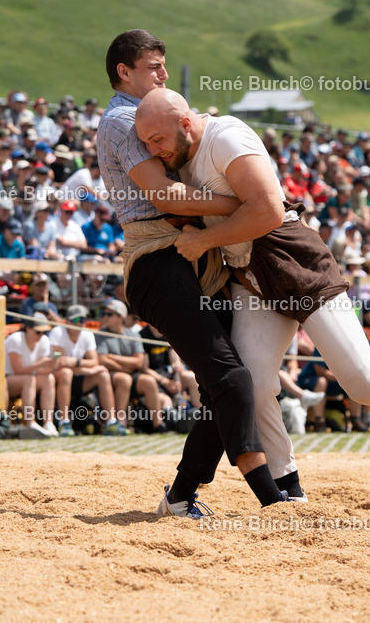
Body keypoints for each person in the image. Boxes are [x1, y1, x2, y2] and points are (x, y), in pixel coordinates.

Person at [135, 88, 370, 454]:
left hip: (293, 259)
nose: (154, 150)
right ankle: (286, 488)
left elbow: (266, 212)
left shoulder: (226, 136)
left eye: (157, 140)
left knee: (362, 382)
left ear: (185, 123)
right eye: (146, 143)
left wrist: (203, 241)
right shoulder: (177, 157)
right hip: (247, 276)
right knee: (253, 384)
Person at [98, 30, 289, 514]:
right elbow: (164, 197)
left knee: (225, 386)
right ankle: (272, 498)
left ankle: (181, 497)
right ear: (125, 72)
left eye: (164, 66)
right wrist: (248, 203)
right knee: (232, 380)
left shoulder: (148, 116)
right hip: (158, 256)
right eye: (153, 67)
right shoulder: (126, 121)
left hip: (189, 253)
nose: (163, 74)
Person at [49, 303, 127, 436]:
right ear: (67, 321)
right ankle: (64, 422)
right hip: (59, 378)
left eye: (83, 320)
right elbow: (61, 364)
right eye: (76, 320)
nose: (80, 323)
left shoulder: (87, 334)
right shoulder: (58, 332)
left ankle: (111, 422)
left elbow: (94, 362)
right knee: (66, 373)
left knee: (103, 374)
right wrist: (85, 368)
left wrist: (77, 362)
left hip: (78, 377)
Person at [95, 299, 166, 433]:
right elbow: (102, 360)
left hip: (127, 374)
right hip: (110, 376)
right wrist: (126, 366)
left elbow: (138, 362)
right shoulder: (101, 334)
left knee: (149, 381)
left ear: (121, 317)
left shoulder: (133, 335)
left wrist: (113, 357)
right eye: (104, 313)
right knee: (124, 379)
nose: (105, 316)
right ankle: (119, 422)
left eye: (109, 314)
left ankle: (158, 424)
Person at [4, 312, 60, 437]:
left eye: (43, 332)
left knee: (49, 379)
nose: (41, 335)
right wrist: (40, 365)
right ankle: (30, 422)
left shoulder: (44, 340)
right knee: (28, 379)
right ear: (28, 328)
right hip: (6, 381)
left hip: (28, 379)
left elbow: (41, 371)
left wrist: (52, 366)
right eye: (38, 332)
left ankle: (48, 423)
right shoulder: (15, 339)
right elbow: (18, 369)